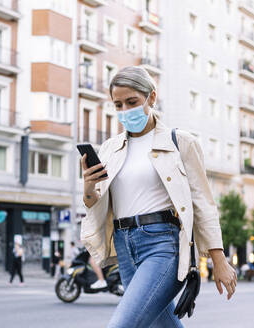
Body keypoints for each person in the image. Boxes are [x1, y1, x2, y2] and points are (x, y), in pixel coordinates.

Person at [80, 66, 237, 328]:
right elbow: (94, 203)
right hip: (124, 245)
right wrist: (88, 185)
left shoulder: (181, 142)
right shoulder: (110, 148)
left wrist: (218, 259)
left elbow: (203, 203)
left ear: (151, 97)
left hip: (162, 245)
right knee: (163, 325)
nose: (125, 111)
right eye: (118, 105)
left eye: (132, 102)